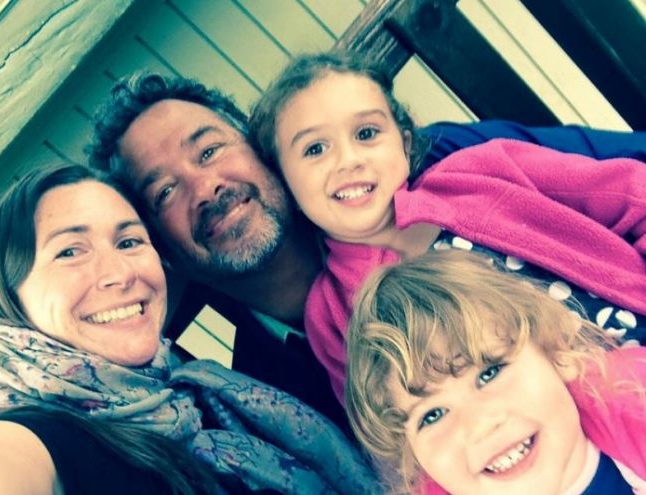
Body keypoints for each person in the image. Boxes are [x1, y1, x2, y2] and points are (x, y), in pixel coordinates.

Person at [87, 65, 646, 421]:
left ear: (261, 150)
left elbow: (628, 178)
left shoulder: (443, 161)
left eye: (210, 151)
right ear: (161, 248)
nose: (205, 187)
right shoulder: (282, 402)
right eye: (164, 192)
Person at [0, 164, 380, 495]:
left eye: (129, 241)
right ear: (11, 296)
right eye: (69, 251)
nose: (119, 273)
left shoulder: (194, 391)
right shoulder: (34, 435)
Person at [247, 51, 646, 403]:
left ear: (404, 144)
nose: (348, 160)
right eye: (315, 149)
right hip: (570, 439)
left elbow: (632, 194)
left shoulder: (482, 170)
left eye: (366, 133)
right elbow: (386, 432)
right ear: (285, 184)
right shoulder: (333, 313)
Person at [346, 250, 646, 494]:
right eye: (433, 415)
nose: (479, 424)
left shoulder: (637, 397)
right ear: (413, 458)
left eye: (489, 373)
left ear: (557, 353)